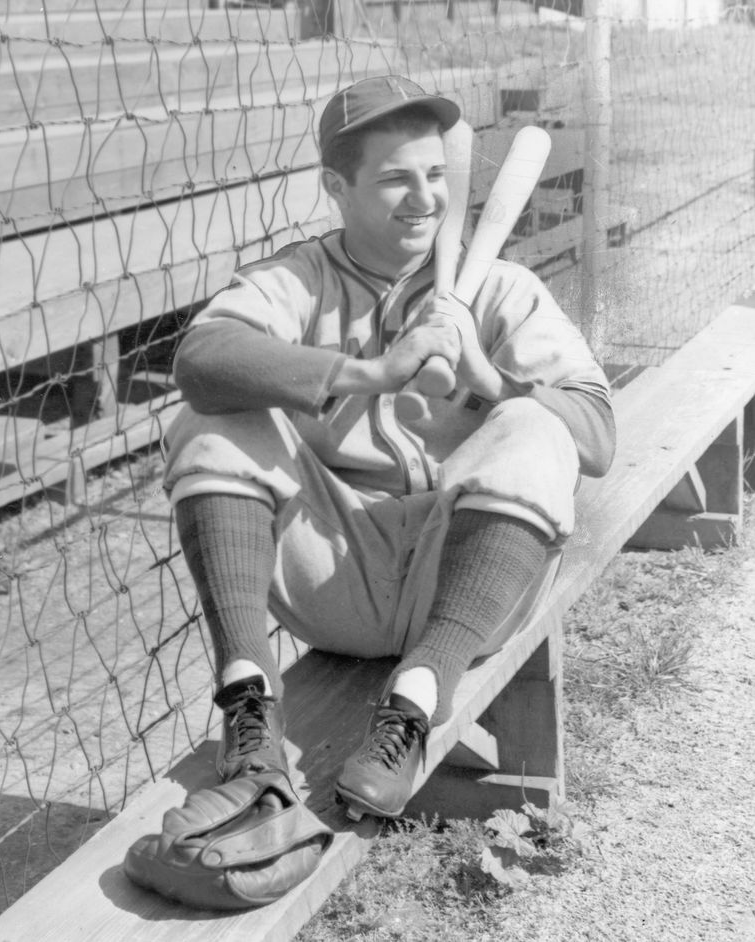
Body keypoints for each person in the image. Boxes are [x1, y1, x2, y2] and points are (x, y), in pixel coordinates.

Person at [162, 74, 615, 821]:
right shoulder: (298, 278)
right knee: (211, 418)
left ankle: (412, 704)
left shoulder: (499, 289)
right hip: (333, 570)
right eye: (396, 179)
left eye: (437, 176)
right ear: (335, 186)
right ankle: (248, 706)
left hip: (465, 574)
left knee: (540, 427)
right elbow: (200, 360)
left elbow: (598, 435)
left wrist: (488, 378)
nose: (426, 199)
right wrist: (370, 372)